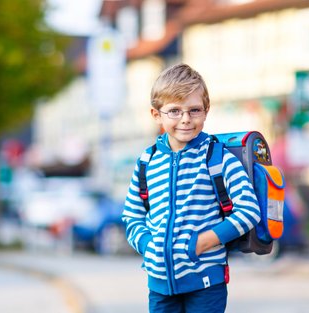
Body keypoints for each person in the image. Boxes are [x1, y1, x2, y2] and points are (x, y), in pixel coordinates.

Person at [122, 64, 260, 313]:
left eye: (194, 110)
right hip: (159, 284)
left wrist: (204, 241)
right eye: (174, 111)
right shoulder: (147, 161)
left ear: (206, 111)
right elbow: (132, 215)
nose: (185, 119)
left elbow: (249, 210)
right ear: (156, 115)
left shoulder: (217, 158)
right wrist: (147, 246)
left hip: (206, 283)